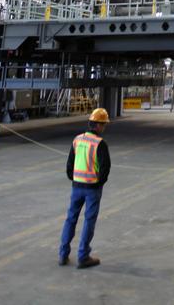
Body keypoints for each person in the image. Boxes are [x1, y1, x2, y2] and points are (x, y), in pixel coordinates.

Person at [59, 107, 112, 269]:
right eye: (103, 125)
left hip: (77, 186)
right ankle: (83, 256)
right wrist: (98, 183)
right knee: (89, 220)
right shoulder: (100, 144)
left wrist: (75, 178)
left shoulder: (77, 140)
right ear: (98, 125)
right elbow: (105, 169)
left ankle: (63, 254)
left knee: (71, 218)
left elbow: (69, 165)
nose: (104, 128)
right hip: (92, 189)